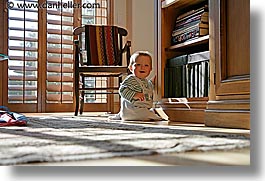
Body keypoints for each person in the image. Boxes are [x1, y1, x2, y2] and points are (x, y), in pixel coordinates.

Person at [109, 51, 162, 121]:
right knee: (148, 114)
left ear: (150, 69)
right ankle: (155, 117)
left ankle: (121, 114)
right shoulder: (131, 79)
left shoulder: (146, 82)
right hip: (134, 110)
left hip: (140, 109)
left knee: (149, 111)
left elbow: (150, 86)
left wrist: (156, 78)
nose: (142, 67)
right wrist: (134, 95)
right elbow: (122, 90)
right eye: (138, 64)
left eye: (146, 65)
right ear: (131, 68)